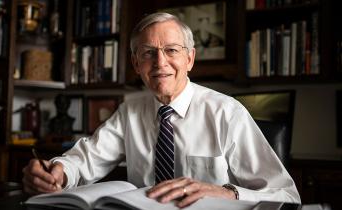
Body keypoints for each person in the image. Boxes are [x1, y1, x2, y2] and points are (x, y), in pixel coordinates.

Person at [22, 12, 301, 208]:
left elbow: (287, 196)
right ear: (136, 64)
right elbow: (85, 160)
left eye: (171, 50)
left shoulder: (226, 113)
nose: (160, 62)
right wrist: (58, 172)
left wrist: (226, 193)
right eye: (148, 53)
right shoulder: (130, 112)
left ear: (190, 58)